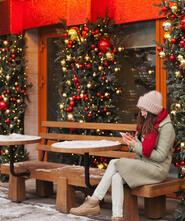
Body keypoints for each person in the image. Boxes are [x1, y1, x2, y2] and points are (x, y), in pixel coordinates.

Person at [70, 90, 176, 221]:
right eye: (141, 110)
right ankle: (117, 217)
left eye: (145, 111)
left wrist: (135, 145)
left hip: (157, 169)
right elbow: (143, 147)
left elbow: (160, 156)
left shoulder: (166, 127)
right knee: (116, 178)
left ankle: (93, 202)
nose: (142, 114)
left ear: (152, 111)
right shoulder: (148, 123)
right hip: (143, 165)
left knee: (114, 163)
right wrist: (132, 140)